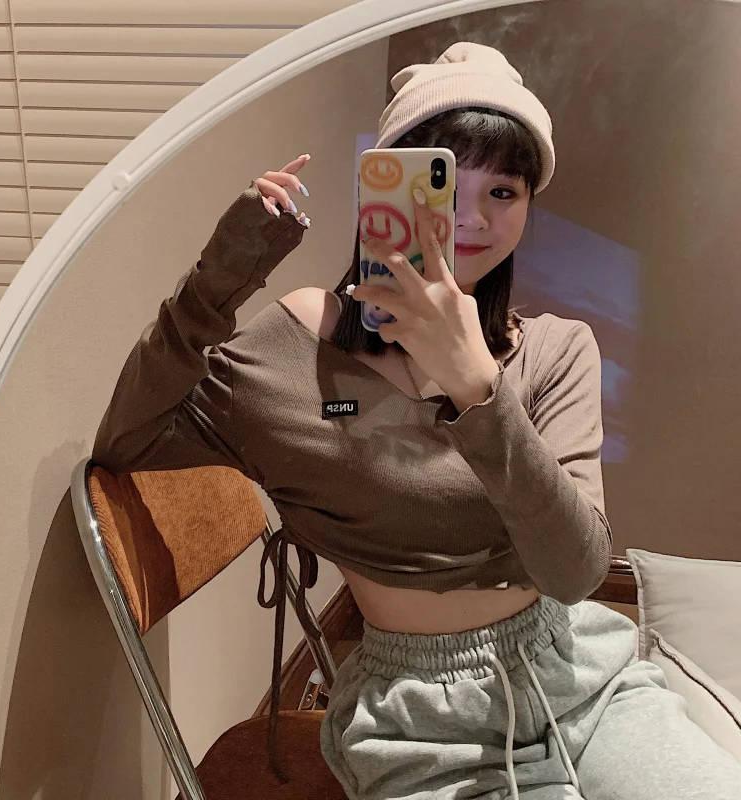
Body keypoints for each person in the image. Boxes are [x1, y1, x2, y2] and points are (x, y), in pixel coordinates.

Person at [93, 42, 741, 799]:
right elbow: (129, 441)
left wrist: (477, 387)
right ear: (384, 188)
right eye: (443, 182)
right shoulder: (298, 347)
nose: (472, 217)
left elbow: (573, 573)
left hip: (577, 679)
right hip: (417, 718)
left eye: (505, 190)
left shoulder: (556, 351)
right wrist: (220, 277)